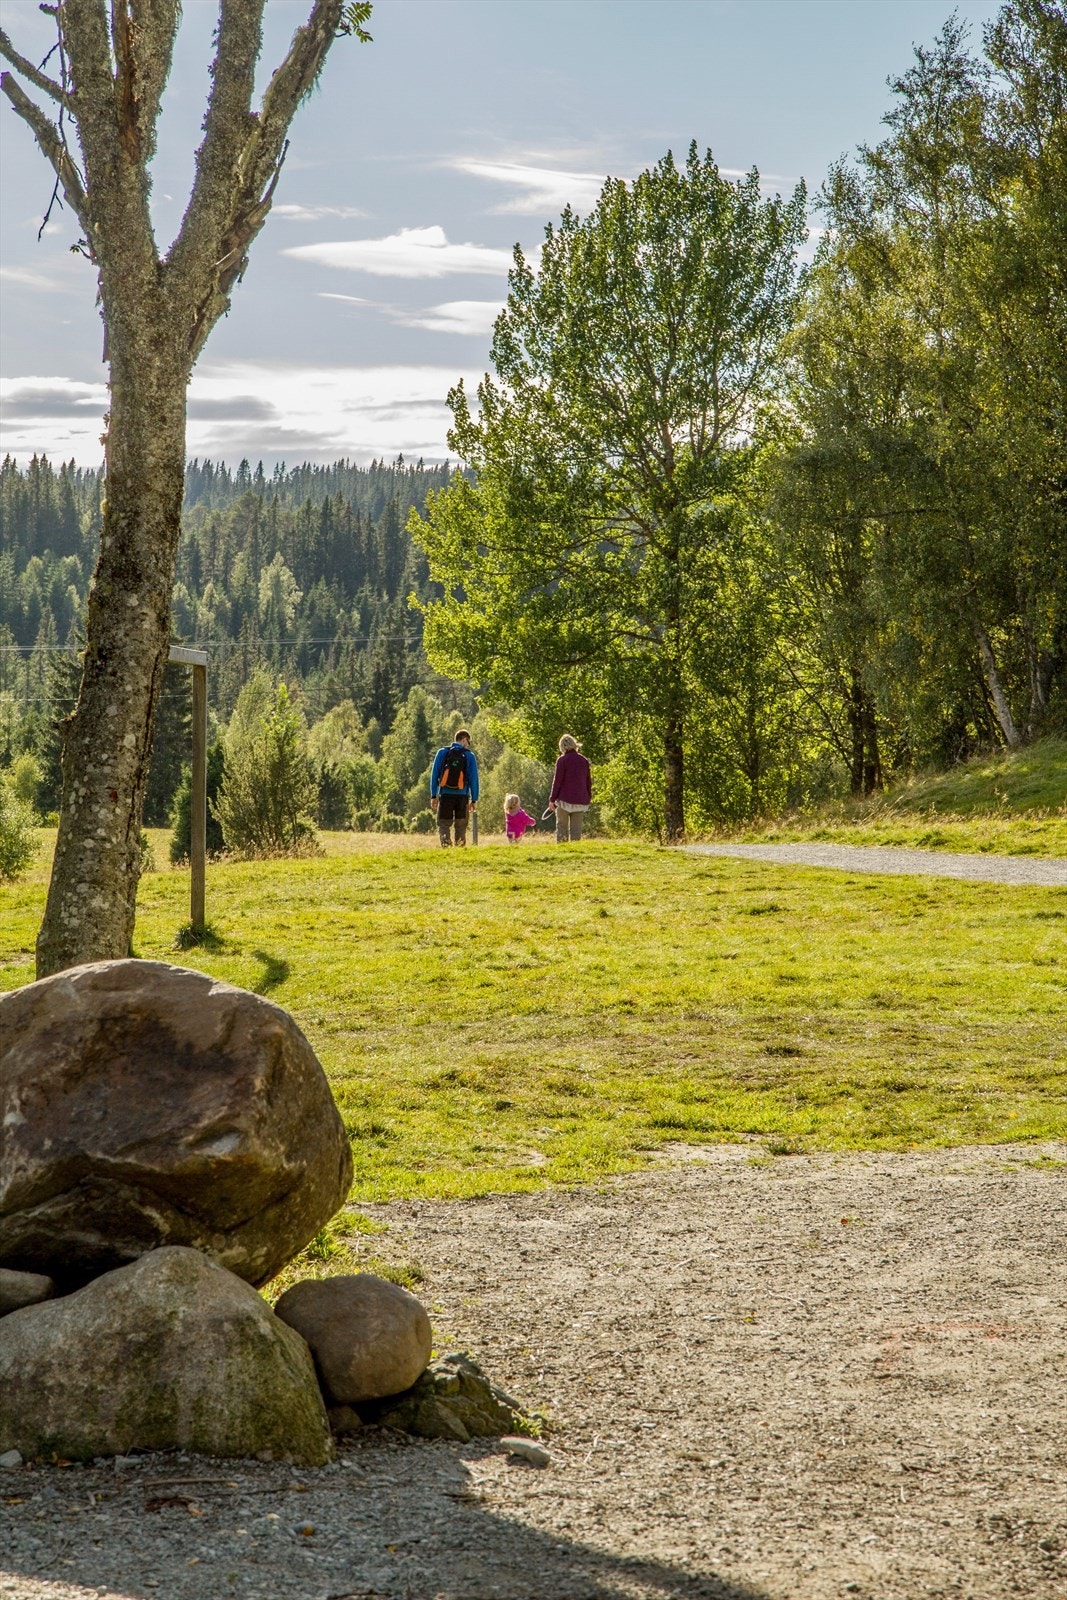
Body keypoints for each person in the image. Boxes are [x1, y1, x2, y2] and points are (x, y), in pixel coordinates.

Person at [429, 728, 479, 848]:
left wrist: (434, 795)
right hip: (462, 796)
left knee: (444, 824)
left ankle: (446, 847)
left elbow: (434, 775)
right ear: (464, 740)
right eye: (468, 742)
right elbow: (474, 779)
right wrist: (474, 799)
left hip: (445, 795)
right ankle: (460, 848)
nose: (468, 745)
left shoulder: (442, 752)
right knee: (461, 825)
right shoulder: (469, 756)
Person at [548, 733, 591, 842]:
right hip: (580, 800)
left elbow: (557, 781)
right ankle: (575, 852)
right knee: (576, 830)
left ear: (562, 746)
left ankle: (563, 851)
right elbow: (588, 782)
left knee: (562, 827)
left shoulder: (562, 760)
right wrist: (588, 797)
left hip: (564, 799)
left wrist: (552, 799)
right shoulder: (584, 760)